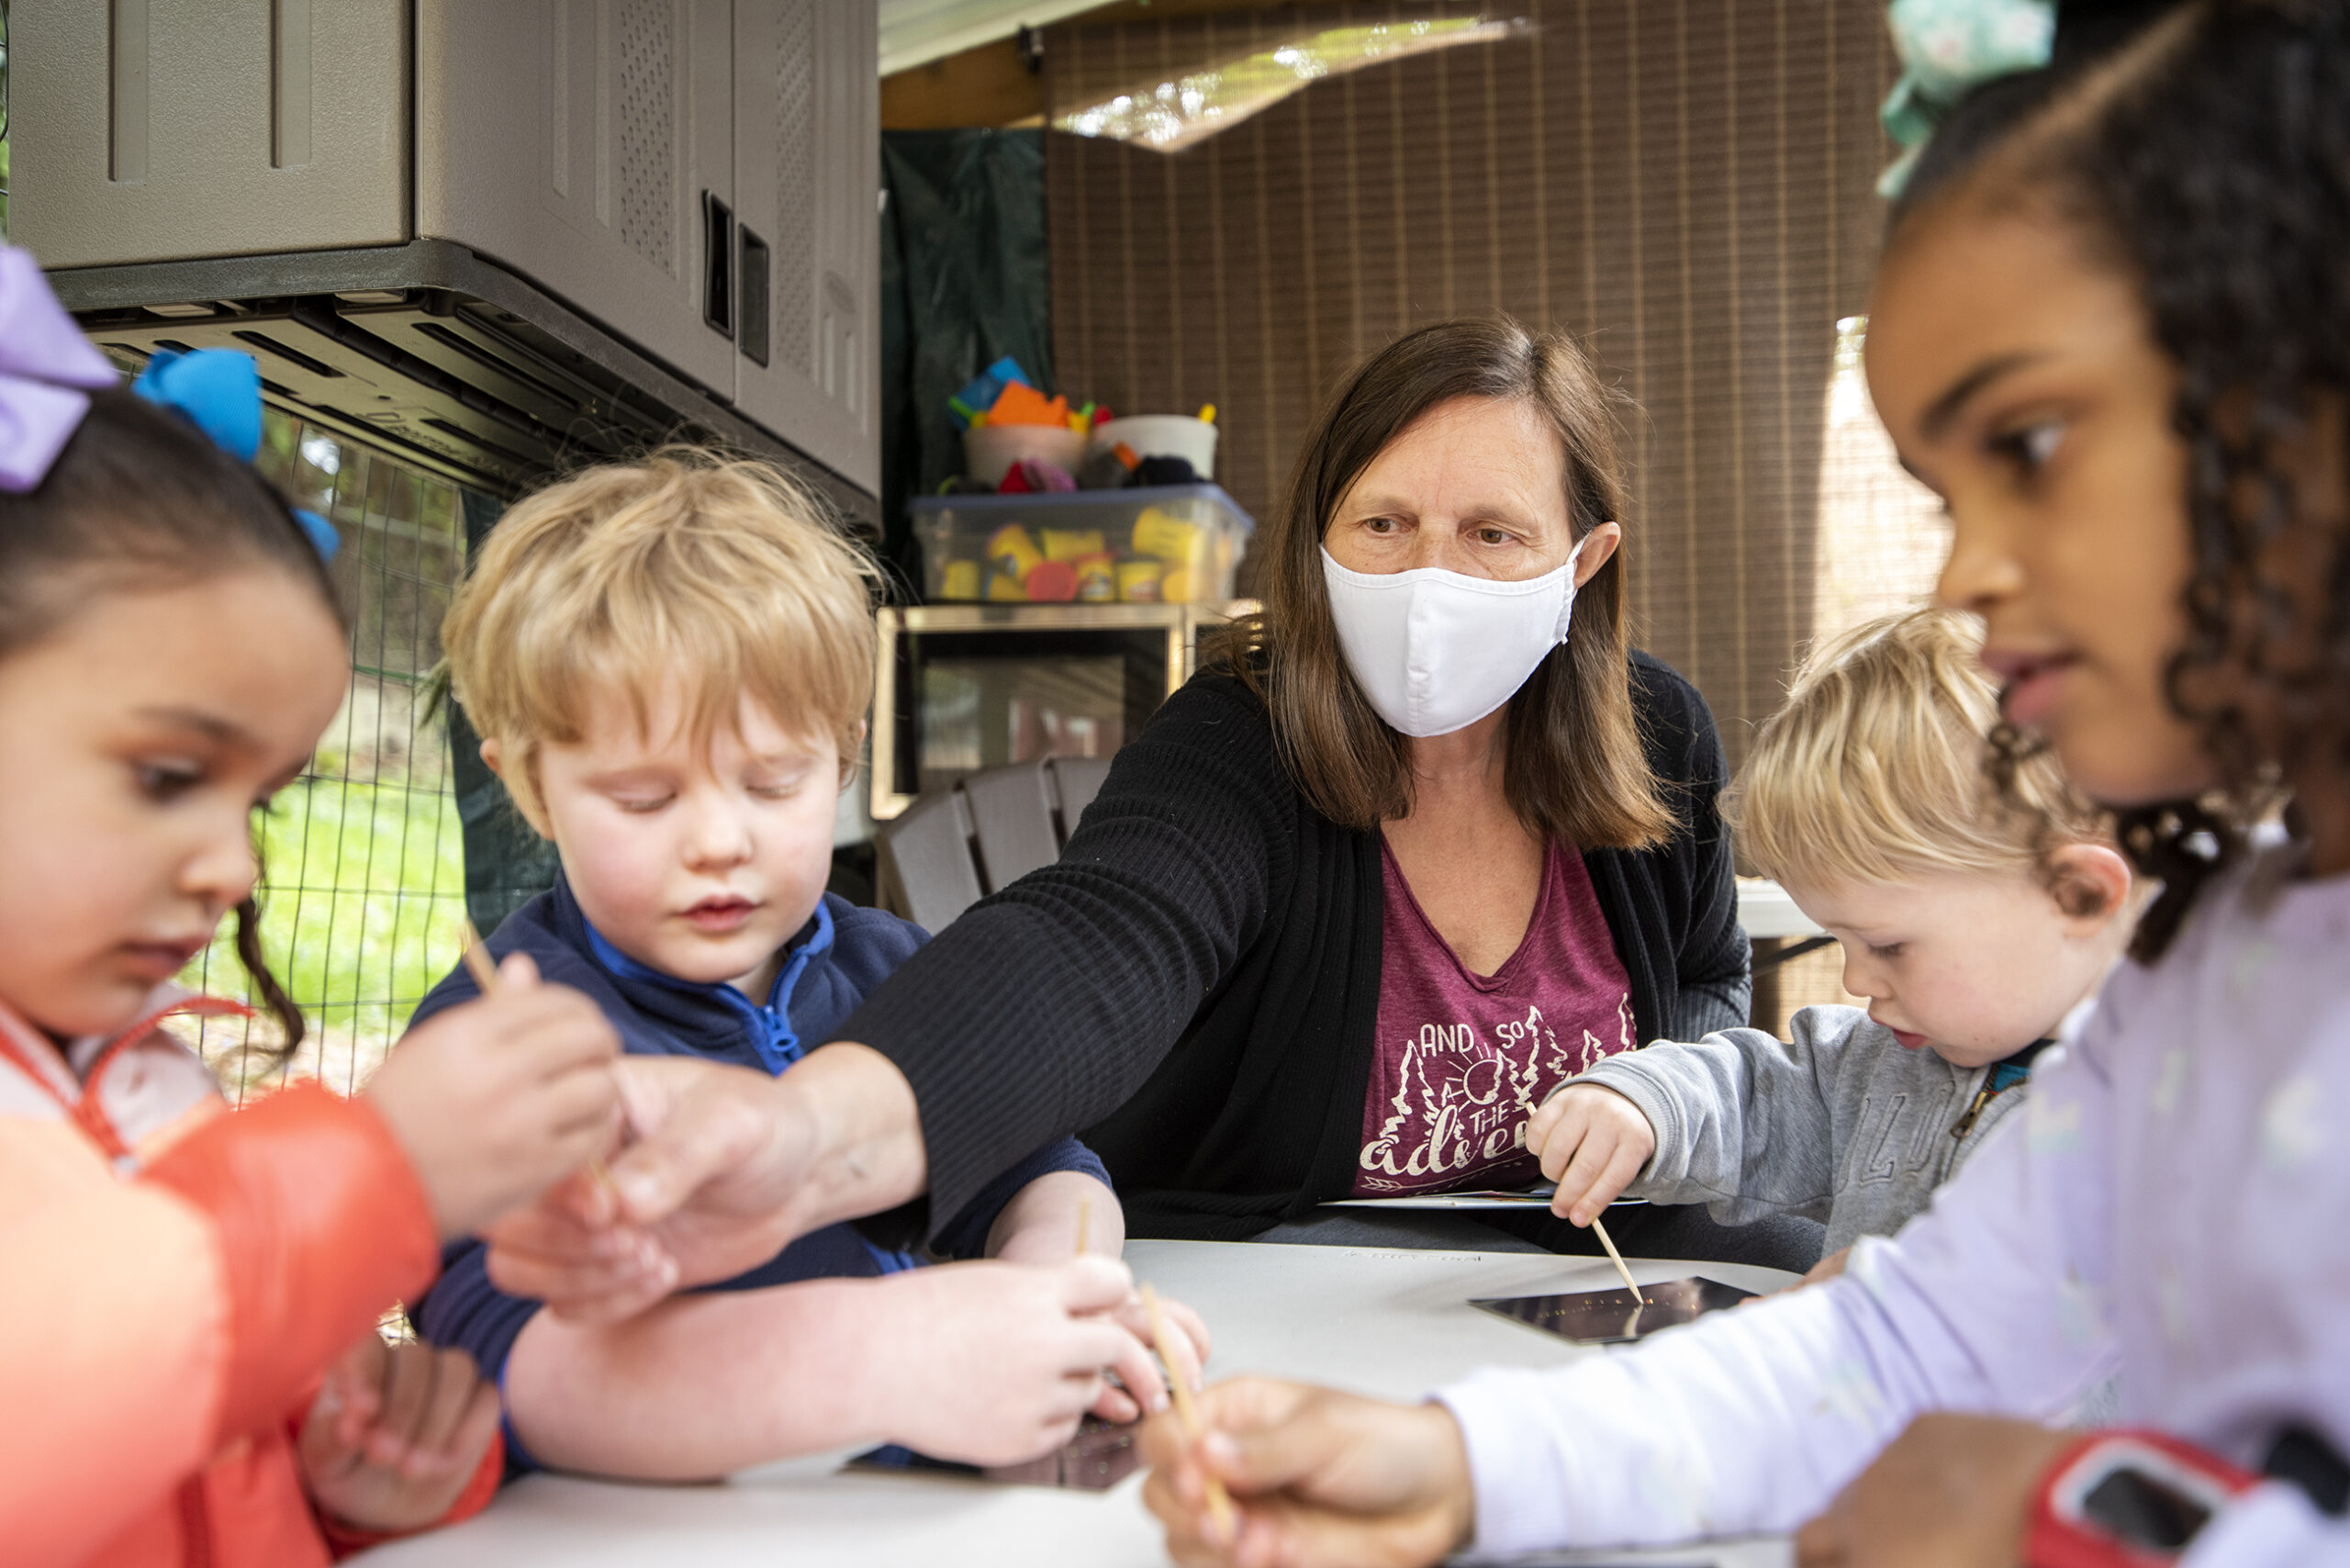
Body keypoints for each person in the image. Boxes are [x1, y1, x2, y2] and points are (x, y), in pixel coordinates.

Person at [1136, 4, 2350, 1564]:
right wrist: (1465, 1465)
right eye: (1945, 488)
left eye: (2032, 443)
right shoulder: (2208, 980)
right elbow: (1904, 1351)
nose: (1971, 568)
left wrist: (2049, 1523)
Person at [476, 316, 1814, 1318]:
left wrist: (1659, 1088)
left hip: (1580, 1289)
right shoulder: (1243, 732)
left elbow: (1701, 983)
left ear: (1584, 564)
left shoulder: (1664, 737)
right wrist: (802, 1140)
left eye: (1493, 536)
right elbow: (1100, 939)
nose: (1429, 578)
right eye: (1385, 523)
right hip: (1285, 1281)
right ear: (1318, 544)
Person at [0, 249, 623, 1567]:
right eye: (168, 776)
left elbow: (173, 1443)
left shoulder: (138, 1083)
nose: (231, 870)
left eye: (260, 803)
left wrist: (341, 1490)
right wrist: (380, 1173)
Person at [410, 450, 1203, 1480]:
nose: (717, 840)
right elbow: (494, 1361)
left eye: (775, 781)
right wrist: (894, 1355)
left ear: (843, 754)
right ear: (524, 784)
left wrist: (1059, 1290)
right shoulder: (492, 1040)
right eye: (644, 798)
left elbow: (1047, 1169)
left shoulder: (895, 967)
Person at [1528, 605, 2135, 1277]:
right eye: (1842, 940)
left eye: (1891, 947)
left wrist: (1907, 1301)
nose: (1857, 981)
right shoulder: (1881, 1066)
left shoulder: (2199, 1114)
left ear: (2076, 896)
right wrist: (1641, 1102)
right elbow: (1757, 1092)